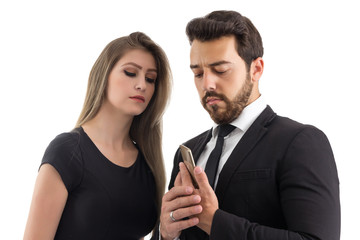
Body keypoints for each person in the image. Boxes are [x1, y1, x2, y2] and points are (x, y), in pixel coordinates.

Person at [156, 10, 340, 240]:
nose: (207, 84)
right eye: (198, 73)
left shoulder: (300, 142)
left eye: (220, 70)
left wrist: (215, 222)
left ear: (256, 69)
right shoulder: (187, 152)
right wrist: (165, 232)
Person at [24, 32, 172, 240]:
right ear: (104, 75)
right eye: (130, 73)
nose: (142, 85)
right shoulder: (67, 152)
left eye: (150, 79)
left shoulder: (147, 163)